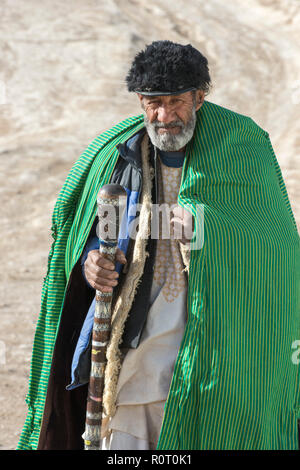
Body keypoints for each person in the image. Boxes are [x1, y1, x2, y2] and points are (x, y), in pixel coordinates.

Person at [18, 40, 300, 451]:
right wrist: (90, 261)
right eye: (153, 103)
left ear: (200, 97)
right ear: (139, 101)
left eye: (176, 102)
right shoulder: (117, 152)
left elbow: (273, 243)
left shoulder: (242, 145)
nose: (164, 117)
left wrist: (206, 227)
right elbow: (91, 231)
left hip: (216, 323)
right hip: (132, 329)